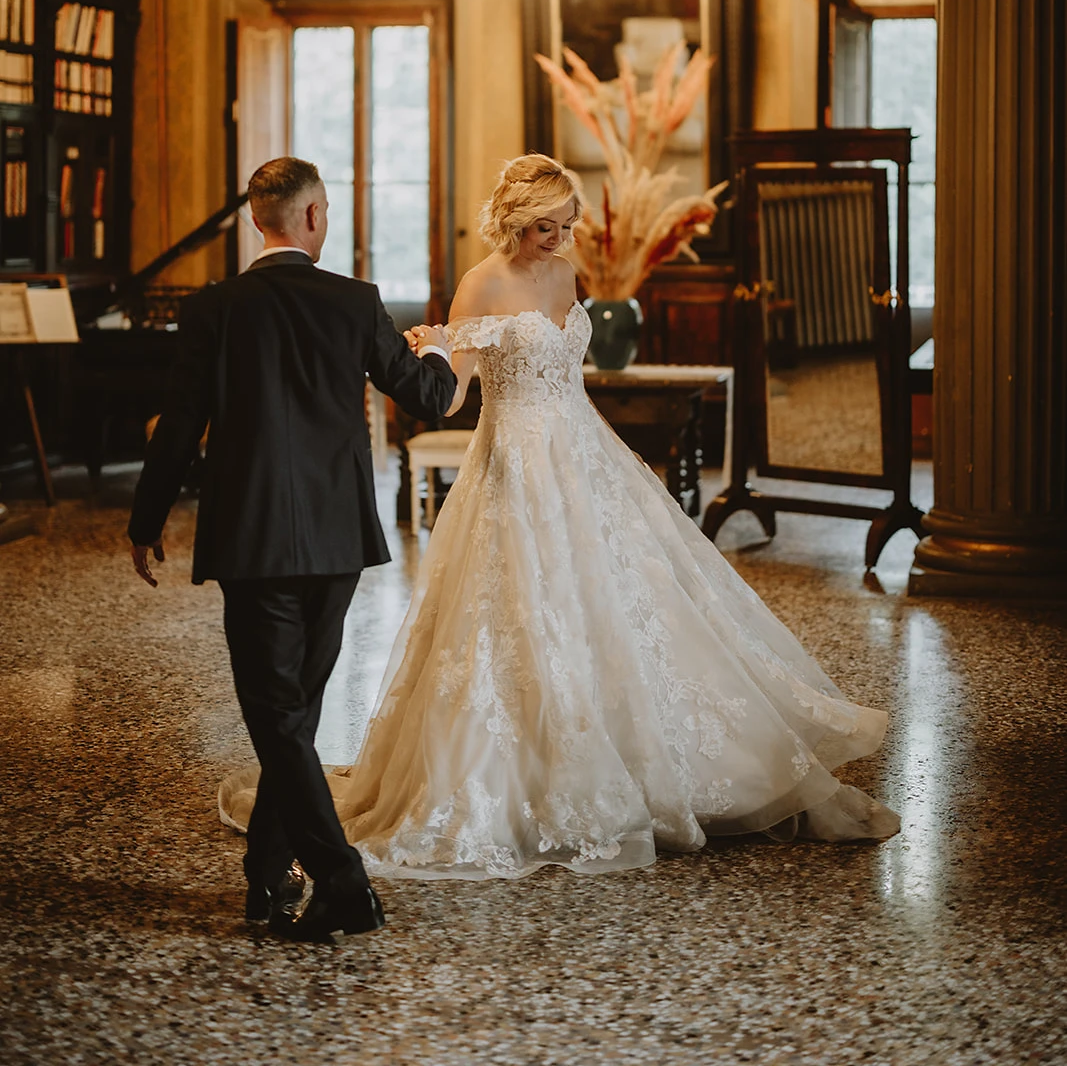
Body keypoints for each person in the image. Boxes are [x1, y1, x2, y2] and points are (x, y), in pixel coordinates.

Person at [290, 153, 899, 878]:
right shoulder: (481, 282)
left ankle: (656, 758)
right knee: (522, 616)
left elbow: (566, 383)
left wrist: (613, 451)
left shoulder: (565, 273)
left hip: (583, 453)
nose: (558, 239)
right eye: (544, 227)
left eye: (566, 226)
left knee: (630, 608)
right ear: (515, 220)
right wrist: (433, 350)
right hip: (514, 465)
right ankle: (526, 776)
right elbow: (454, 398)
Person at [128, 156, 456, 941]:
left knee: (280, 716)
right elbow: (430, 396)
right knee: (293, 713)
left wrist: (147, 519)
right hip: (339, 538)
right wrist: (440, 346)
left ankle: (341, 881)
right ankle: (268, 873)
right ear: (314, 217)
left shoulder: (216, 309)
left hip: (253, 538)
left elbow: (179, 426)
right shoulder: (356, 302)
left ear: (255, 220)